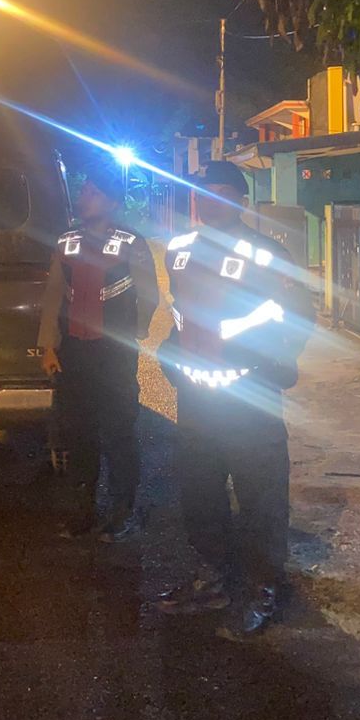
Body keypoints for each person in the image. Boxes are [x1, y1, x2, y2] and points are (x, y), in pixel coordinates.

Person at [154, 160, 310, 639]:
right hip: (197, 397)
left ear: (241, 201)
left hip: (249, 397)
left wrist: (277, 362)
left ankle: (265, 588)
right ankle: (214, 576)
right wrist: (170, 356)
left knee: (261, 496)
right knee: (200, 493)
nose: (212, 201)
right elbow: (179, 311)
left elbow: (299, 313)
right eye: (205, 192)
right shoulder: (179, 250)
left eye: (223, 192)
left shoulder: (266, 253)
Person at [38, 158, 159, 542]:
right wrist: (48, 346)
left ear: (111, 202)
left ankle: (123, 512)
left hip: (113, 355)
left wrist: (133, 333)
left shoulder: (131, 243)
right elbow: (53, 296)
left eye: (93, 192)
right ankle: (82, 513)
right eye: (84, 190)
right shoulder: (66, 241)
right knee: (78, 434)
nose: (84, 196)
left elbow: (150, 295)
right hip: (74, 354)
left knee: (119, 433)